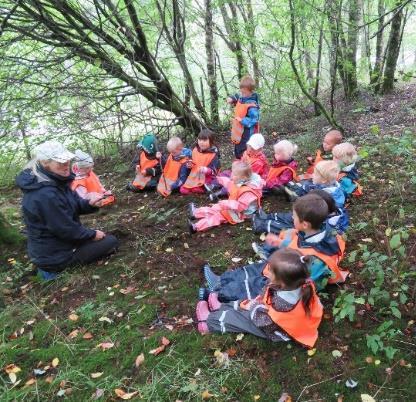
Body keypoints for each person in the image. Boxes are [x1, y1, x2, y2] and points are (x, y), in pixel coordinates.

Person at [198, 194, 347, 302]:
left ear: (305, 224)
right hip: (284, 266)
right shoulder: (315, 230)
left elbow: (303, 280)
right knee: (255, 269)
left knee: (254, 286)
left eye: (294, 217)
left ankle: (217, 295)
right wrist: (280, 244)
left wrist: (279, 277)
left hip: (286, 282)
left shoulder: (316, 260)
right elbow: (298, 248)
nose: (292, 219)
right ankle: (220, 280)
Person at [15, 140, 118, 280]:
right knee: (110, 241)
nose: (66, 166)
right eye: (61, 163)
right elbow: (64, 228)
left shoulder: (57, 181)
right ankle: (52, 274)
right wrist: (92, 234)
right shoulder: (44, 194)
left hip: (61, 245)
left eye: (68, 161)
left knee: (105, 239)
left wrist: (90, 204)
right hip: (54, 257)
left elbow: (73, 204)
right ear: (46, 163)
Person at [196, 249, 323, 348]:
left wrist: (253, 306)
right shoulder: (300, 283)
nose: (267, 271)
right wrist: (257, 301)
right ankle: (220, 306)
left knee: (240, 319)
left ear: (281, 283)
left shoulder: (283, 303)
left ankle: (209, 322)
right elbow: (268, 293)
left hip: (276, 329)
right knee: (244, 302)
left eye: (271, 271)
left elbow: (263, 321)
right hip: (272, 314)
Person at [188, 161, 264, 233]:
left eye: (234, 174)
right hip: (232, 205)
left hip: (241, 213)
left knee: (218, 216)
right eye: (232, 172)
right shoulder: (240, 182)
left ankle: (196, 227)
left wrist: (226, 203)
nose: (231, 175)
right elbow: (230, 185)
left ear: (243, 178)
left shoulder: (247, 192)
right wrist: (220, 179)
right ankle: (196, 213)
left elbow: (240, 206)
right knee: (216, 207)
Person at [252, 189, 349, 236]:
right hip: (309, 223)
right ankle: (268, 217)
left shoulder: (329, 225)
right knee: (292, 216)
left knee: (290, 228)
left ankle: (262, 225)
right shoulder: (332, 208)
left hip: (307, 231)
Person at [206, 133, 267, 202]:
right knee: (225, 173)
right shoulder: (246, 153)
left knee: (234, 184)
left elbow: (249, 176)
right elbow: (241, 161)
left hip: (248, 179)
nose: (250, 150)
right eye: (249, 146)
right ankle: (213, 185)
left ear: (260, 149)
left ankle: (220, 193)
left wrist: (236, 175)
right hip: (241, 172)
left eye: (253, 149)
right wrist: (236, 166)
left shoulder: (258, 162)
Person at [227, 75, 260, 159]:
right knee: (237, 147)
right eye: (241, 92)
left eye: (244, 92)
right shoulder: (242, 97)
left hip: (247, 132)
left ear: (251, 91)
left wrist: (242, 120)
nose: (242, 94)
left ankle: (245, 165)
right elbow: (237, 97)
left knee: (244, 150)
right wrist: (231, 98)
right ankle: (238, 162)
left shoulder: (252, 105)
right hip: (238, 130)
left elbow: (254, 120)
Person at [180, 129, 220, 195]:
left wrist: (206, 170)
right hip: (194, 176)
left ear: (211, 142)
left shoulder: (214, 155)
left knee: (206, 185)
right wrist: (189, 165)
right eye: (200, 140)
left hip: (207, 177)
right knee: (183, 190)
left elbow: (214, 171)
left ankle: (201, 187)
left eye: (204, 140)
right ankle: (194, 187)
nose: (201, 142)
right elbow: (192, 161)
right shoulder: (195, 150)